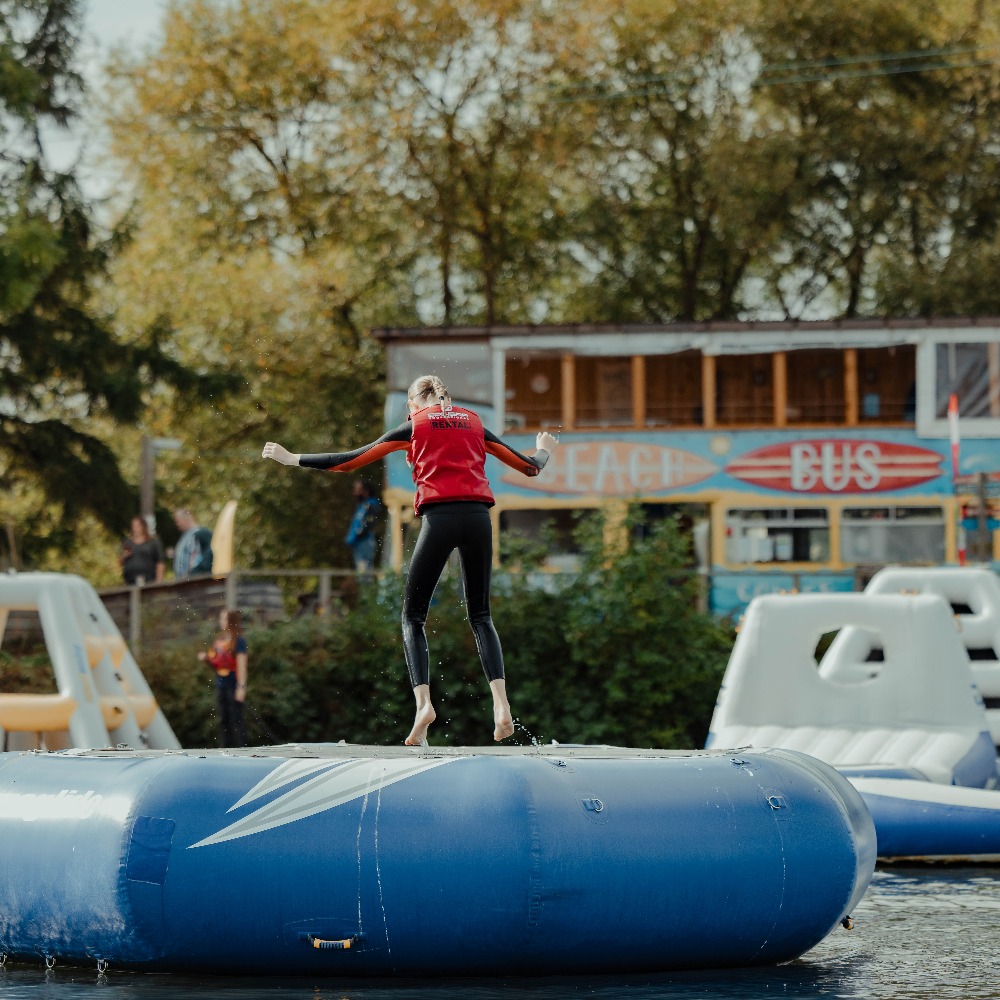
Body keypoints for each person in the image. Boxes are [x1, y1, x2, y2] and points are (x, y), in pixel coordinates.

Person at [262, 373, 558, 746]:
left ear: (413, 404)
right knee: (481, 616)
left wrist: (293, 459)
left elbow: (350, 461)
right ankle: (501, 706)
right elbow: (531, 467)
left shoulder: (414, 426)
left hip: (440, 519)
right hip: (478, 520)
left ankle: (424, 706)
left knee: (412, 617)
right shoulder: (473, 422)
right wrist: (544, 448)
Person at [198, 608, 248, 748]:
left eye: (224, 618)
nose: (221, 621)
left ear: (231, 621)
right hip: (221, 683)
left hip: (233, 684)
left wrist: (241, 687)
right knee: (224, 718)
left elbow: (242, 665)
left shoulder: (239, 641)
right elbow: (215, 662)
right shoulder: (220, 641)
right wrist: (206, 658)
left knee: (236, 718)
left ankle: (242, 748)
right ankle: (226, 747)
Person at [345, 478, 380, 572]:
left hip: (365, 541)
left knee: (364, 571)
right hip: (358, 542)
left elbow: (370, 521)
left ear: (366, 491)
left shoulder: (371, 505)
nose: (355, 492)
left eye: (358, 489)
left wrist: (360, 533)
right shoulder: (362, 505)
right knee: (360, 571)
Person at [119, 515, 165, 585]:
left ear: (143, 526)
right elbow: (120, 562)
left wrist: (159, 582)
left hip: (149, 581)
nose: (135, 528)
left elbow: (160, 562)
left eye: (137, 526)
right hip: (130, 582)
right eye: (133, 526)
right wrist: (124, 556)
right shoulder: (127, 542)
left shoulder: (153, 542)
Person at [172, 508, 214, 578]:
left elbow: (198, 557)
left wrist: (191, 574)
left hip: (194, 579)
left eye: (178, 521)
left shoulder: (199, 534)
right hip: (183, 580)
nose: (177, 524)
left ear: (185, 519)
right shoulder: (184, 536)